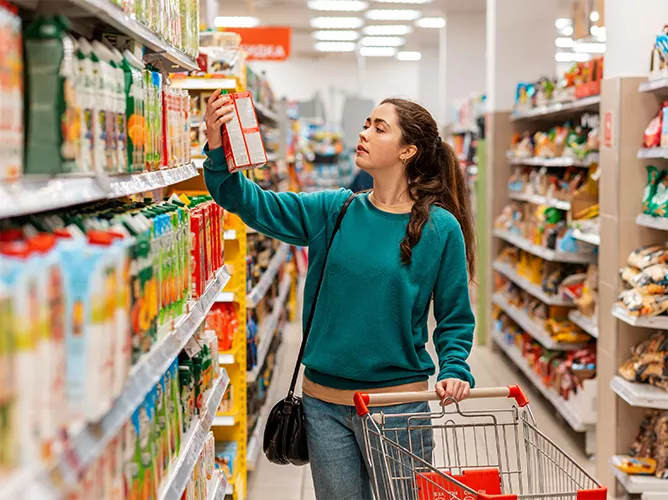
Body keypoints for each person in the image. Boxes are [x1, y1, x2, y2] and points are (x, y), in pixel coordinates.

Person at [203, 90, 476, 500]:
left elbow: (454, 316)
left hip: (396, 408)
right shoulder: (335, 210)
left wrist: (454, 367)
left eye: (379, 128)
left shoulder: (440, 229)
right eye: (366, 124)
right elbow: (247, 201)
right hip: (323, 406)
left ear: (408, 151)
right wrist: (216, 145)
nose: (363, 133)